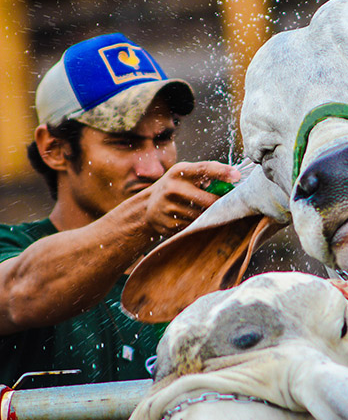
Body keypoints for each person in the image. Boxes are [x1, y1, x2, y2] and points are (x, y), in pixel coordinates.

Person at [0, 33, 240, 387]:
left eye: (163, 139)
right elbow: (21, 292)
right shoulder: (11, 250)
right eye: (125, 142)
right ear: (54, 148)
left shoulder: (198, 268)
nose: (153, 168)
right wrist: (145, 215)